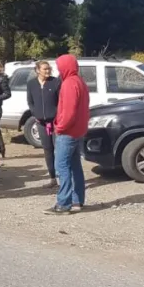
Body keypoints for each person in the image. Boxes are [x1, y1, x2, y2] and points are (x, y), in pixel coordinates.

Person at [46, 55, 89, 215]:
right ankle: (77, 201)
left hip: (68, 131)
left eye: (59, 67)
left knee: (61, 166)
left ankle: (63, 203)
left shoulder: (69, 84)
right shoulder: (80, 82)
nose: (58, 70)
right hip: (78, 131)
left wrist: (60, 127)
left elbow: (69, 112)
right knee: (75, 166)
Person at [27, 60, 60, 188]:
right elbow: (30, 102)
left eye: (49, 68)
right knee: (47, 150)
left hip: (55, 122)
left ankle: (62, 177)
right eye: (45, 69)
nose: (47, 71)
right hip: (41, 123)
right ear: (37, 70)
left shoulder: (55, 82)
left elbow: (60, 101)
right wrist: (36, 114)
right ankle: (52, 178)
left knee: (59, 149)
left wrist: (57, 115)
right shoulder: (31, 84)